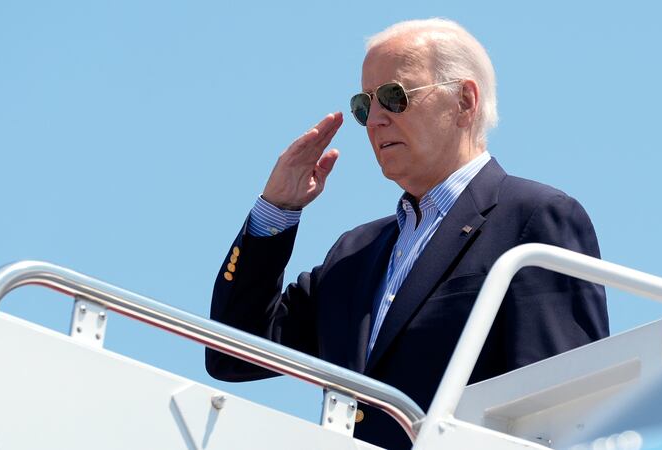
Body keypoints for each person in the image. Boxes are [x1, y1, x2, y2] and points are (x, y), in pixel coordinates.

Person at [206, 18, 609, 450]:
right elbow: (232, 355)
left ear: (464, 101)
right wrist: (277, 211)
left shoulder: (533, 220)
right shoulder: (354, 254)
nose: (374, 120)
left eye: (395, 97)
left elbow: (562, 412)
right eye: (364, 105)